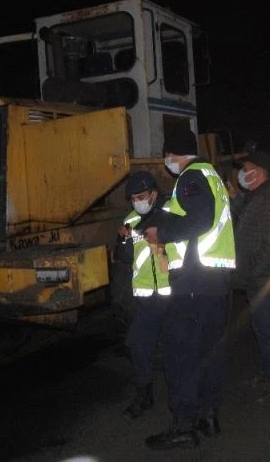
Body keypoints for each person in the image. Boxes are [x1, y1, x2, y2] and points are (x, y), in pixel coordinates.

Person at [142, 129, 236, 450]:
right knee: (210, 351)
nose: (166, 162)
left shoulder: (191, 177)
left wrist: (161, 232)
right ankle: (209, 417)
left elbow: (200, 221)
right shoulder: (212, 175)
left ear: (174, 154)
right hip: (214, 280)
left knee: (180, 354)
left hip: (195, 282)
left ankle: (183, 425)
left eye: (167, 156)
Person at [228, 149, 270, 404]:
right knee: (263, 330)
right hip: (259, 280)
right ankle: (268, 374)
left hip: (268, 280)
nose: (242, 174)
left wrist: (250, 272)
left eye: (246, 170)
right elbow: (241, 218)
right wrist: (235, 197)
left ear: (259, 172)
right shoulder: (256, 195)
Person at [116, 170, 171, 420]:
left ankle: (182, 397)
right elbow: (125, 260)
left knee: (177, 349)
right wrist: (125, 241)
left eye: (141, 196)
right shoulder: (130, 221)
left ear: (153, 194)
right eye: (133, 198)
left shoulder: (171, 214)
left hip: (172, 295)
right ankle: (144, 395)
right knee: (138, 345)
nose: (136, 201)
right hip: (146, 299)